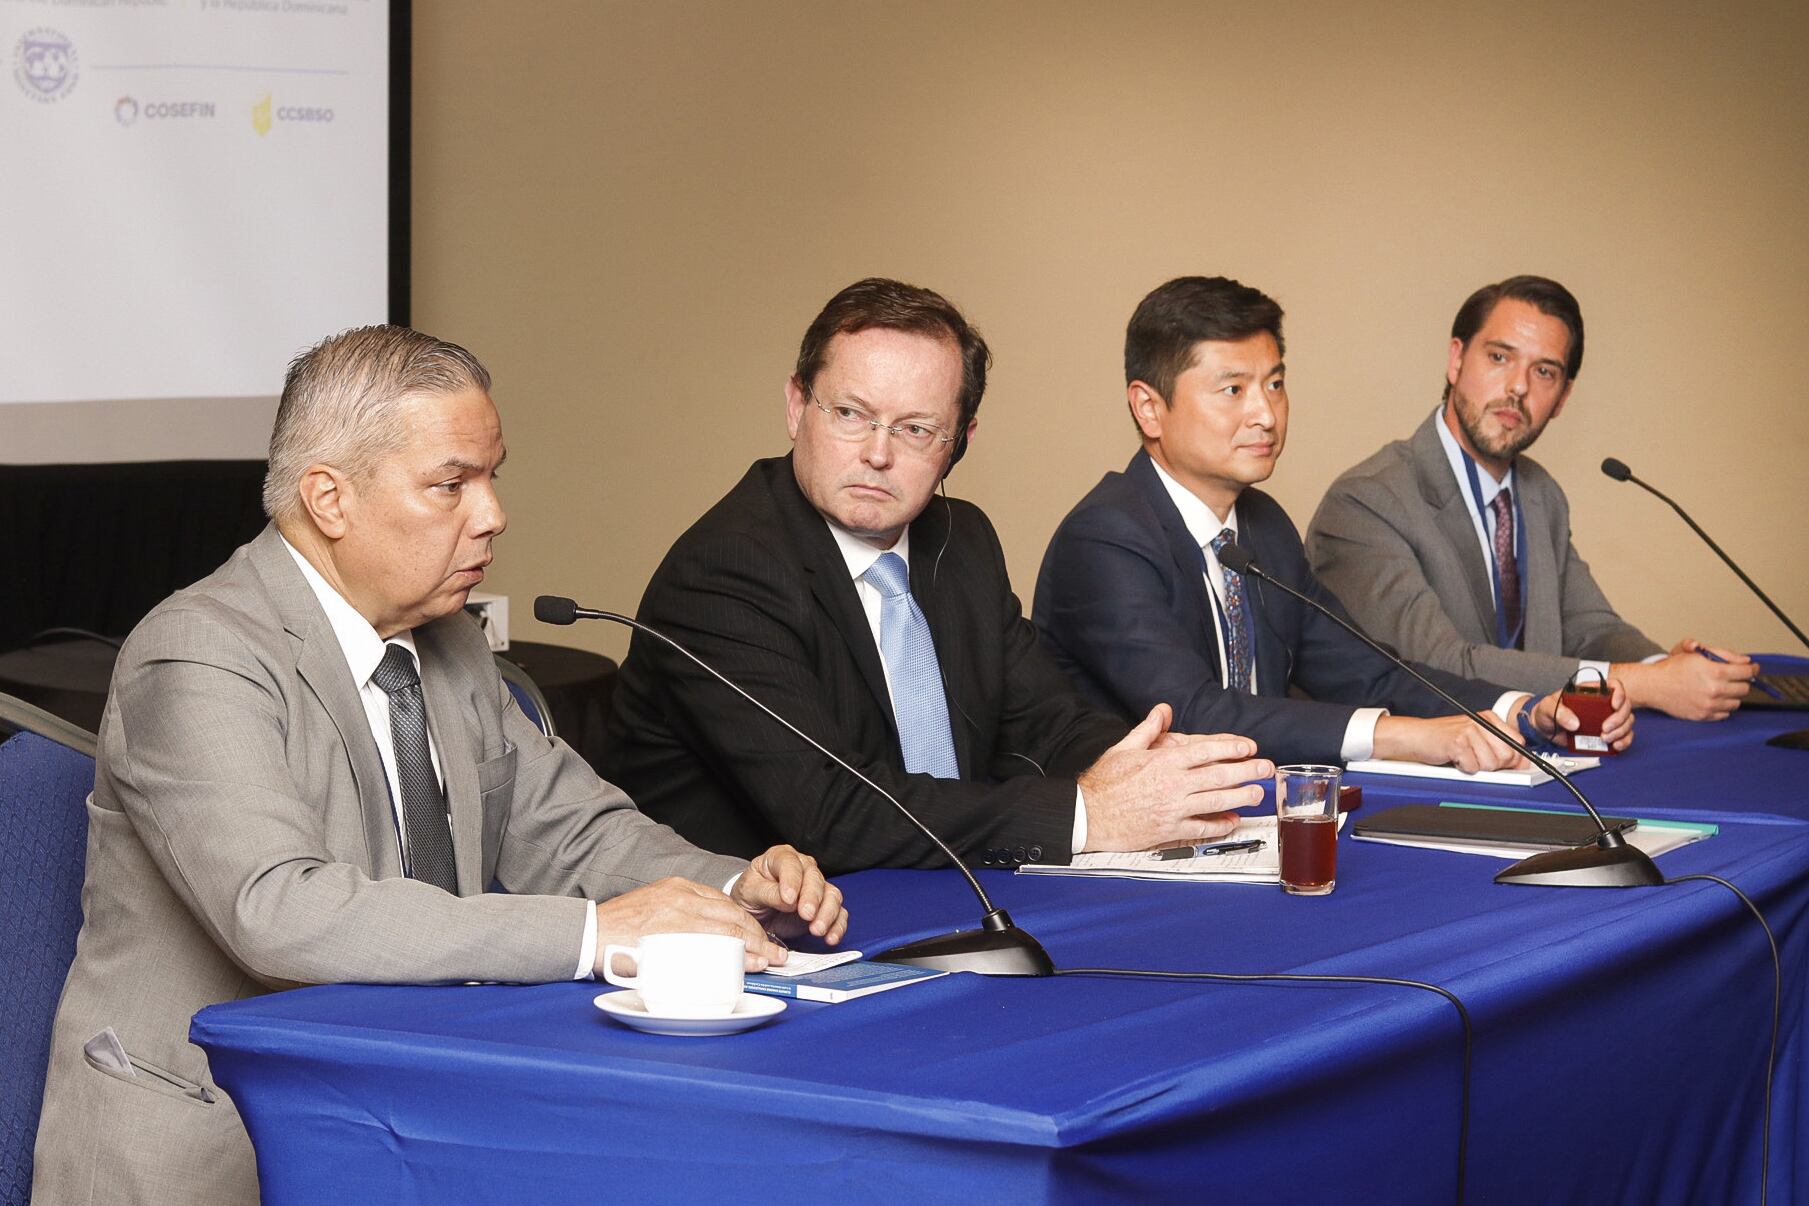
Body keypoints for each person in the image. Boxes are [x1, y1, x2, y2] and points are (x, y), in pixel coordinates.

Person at [32, 326, 849, 1206]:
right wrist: (596, 935)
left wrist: (724, 892)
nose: (492, 513)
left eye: (492, 476)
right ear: (329, 499)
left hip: (404, 1109)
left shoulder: (448, 642)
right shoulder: (198, 652)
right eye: (451, 484)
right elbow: (279, 911)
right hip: (216, 1142)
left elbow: (569, 830)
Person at [603, 278, 1272, 874]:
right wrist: (1089, 813)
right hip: (774, 932)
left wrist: (1165, 772)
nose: (876, 454)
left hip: (952, 887)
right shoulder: (725, 572)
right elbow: (832, 814)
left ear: (959, 441)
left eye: (917, 429)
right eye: (848, 414)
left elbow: (1048, 723)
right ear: (794, 406)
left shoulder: (961, 540)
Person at [1032, 276, 1627, 769]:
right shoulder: (1107, 536)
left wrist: (1522, 708)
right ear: (1149, 407)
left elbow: (1368, 672)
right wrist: (1403, 737)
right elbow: (1195, 714)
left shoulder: (1262, 527)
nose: (1265, 414)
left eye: (1275, 384)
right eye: (1232, 389)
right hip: (1117, 857)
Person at [1305, 275, 1757, 720]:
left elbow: (1590, 629)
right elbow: (1437, 666)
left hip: (1535, 754)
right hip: (1410, 774)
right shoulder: (1366, 502)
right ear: (1456, 360)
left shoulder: (1541, 495)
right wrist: (1643, 685)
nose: (1518, 386)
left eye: (1544, 372)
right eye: (1500, 357)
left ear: (1562, 398)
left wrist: (1664, 667)